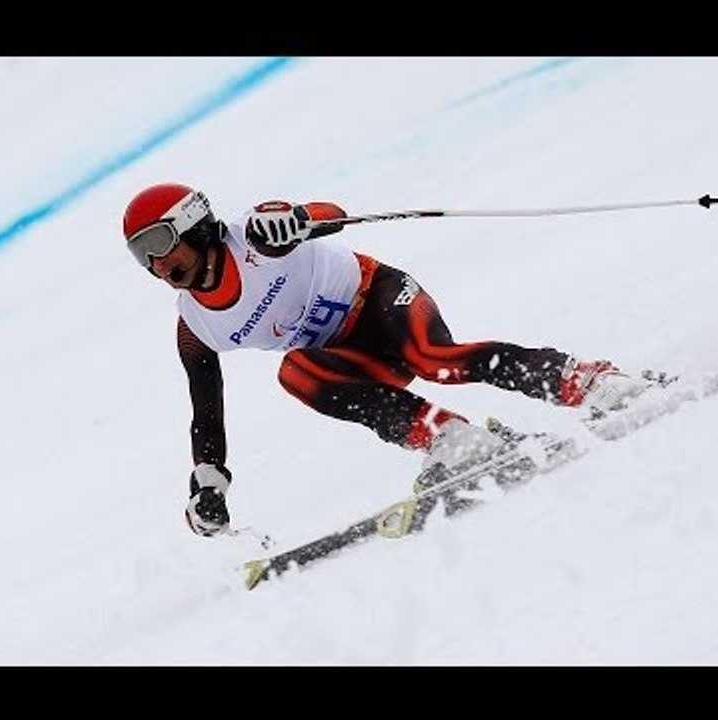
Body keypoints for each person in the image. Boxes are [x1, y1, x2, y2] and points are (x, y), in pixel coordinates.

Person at [121, 183, 652, 538]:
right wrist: (209, 482)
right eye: (141, 255)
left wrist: (301, 220)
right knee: (296, 374)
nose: (157, 263)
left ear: (194, 224)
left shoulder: (254, 236)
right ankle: (453, 440)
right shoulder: (196, 325)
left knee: (435, 360)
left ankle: (586, 382)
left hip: (380, 299)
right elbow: (206, 411)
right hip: (352, 355)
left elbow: (327, 215)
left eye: (160, 242)